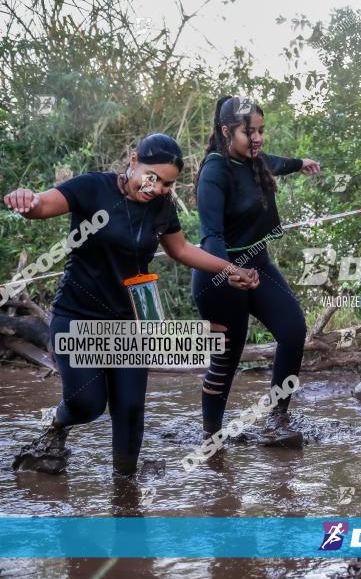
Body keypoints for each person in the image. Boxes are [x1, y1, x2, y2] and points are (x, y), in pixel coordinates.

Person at [5, 133, 259, 476]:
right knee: (87, 403)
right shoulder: (92, 188)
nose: (157, 189)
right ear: (133, 158)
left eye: (168, 184)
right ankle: (58, 423)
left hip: (130, 320)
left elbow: (181, 249)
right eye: (152, 177)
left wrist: (230, 269)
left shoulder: (162, 208)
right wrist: (26, 199)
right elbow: (42, 206)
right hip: (77, 315)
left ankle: (125, 490)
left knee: (129, 407)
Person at [192, 96, 321, 448]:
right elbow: (211, 236)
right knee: (227, 356)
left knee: (293, 331)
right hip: (219, 277)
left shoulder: (254, 160)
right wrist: (229, 270)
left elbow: (274, 163)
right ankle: (211, 435)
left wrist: (300, 163)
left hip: (258, 266)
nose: (258, 138)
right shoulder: (214, 172)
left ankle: (278, 418)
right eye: (250, 132)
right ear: (225, 131)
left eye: (262, 130)